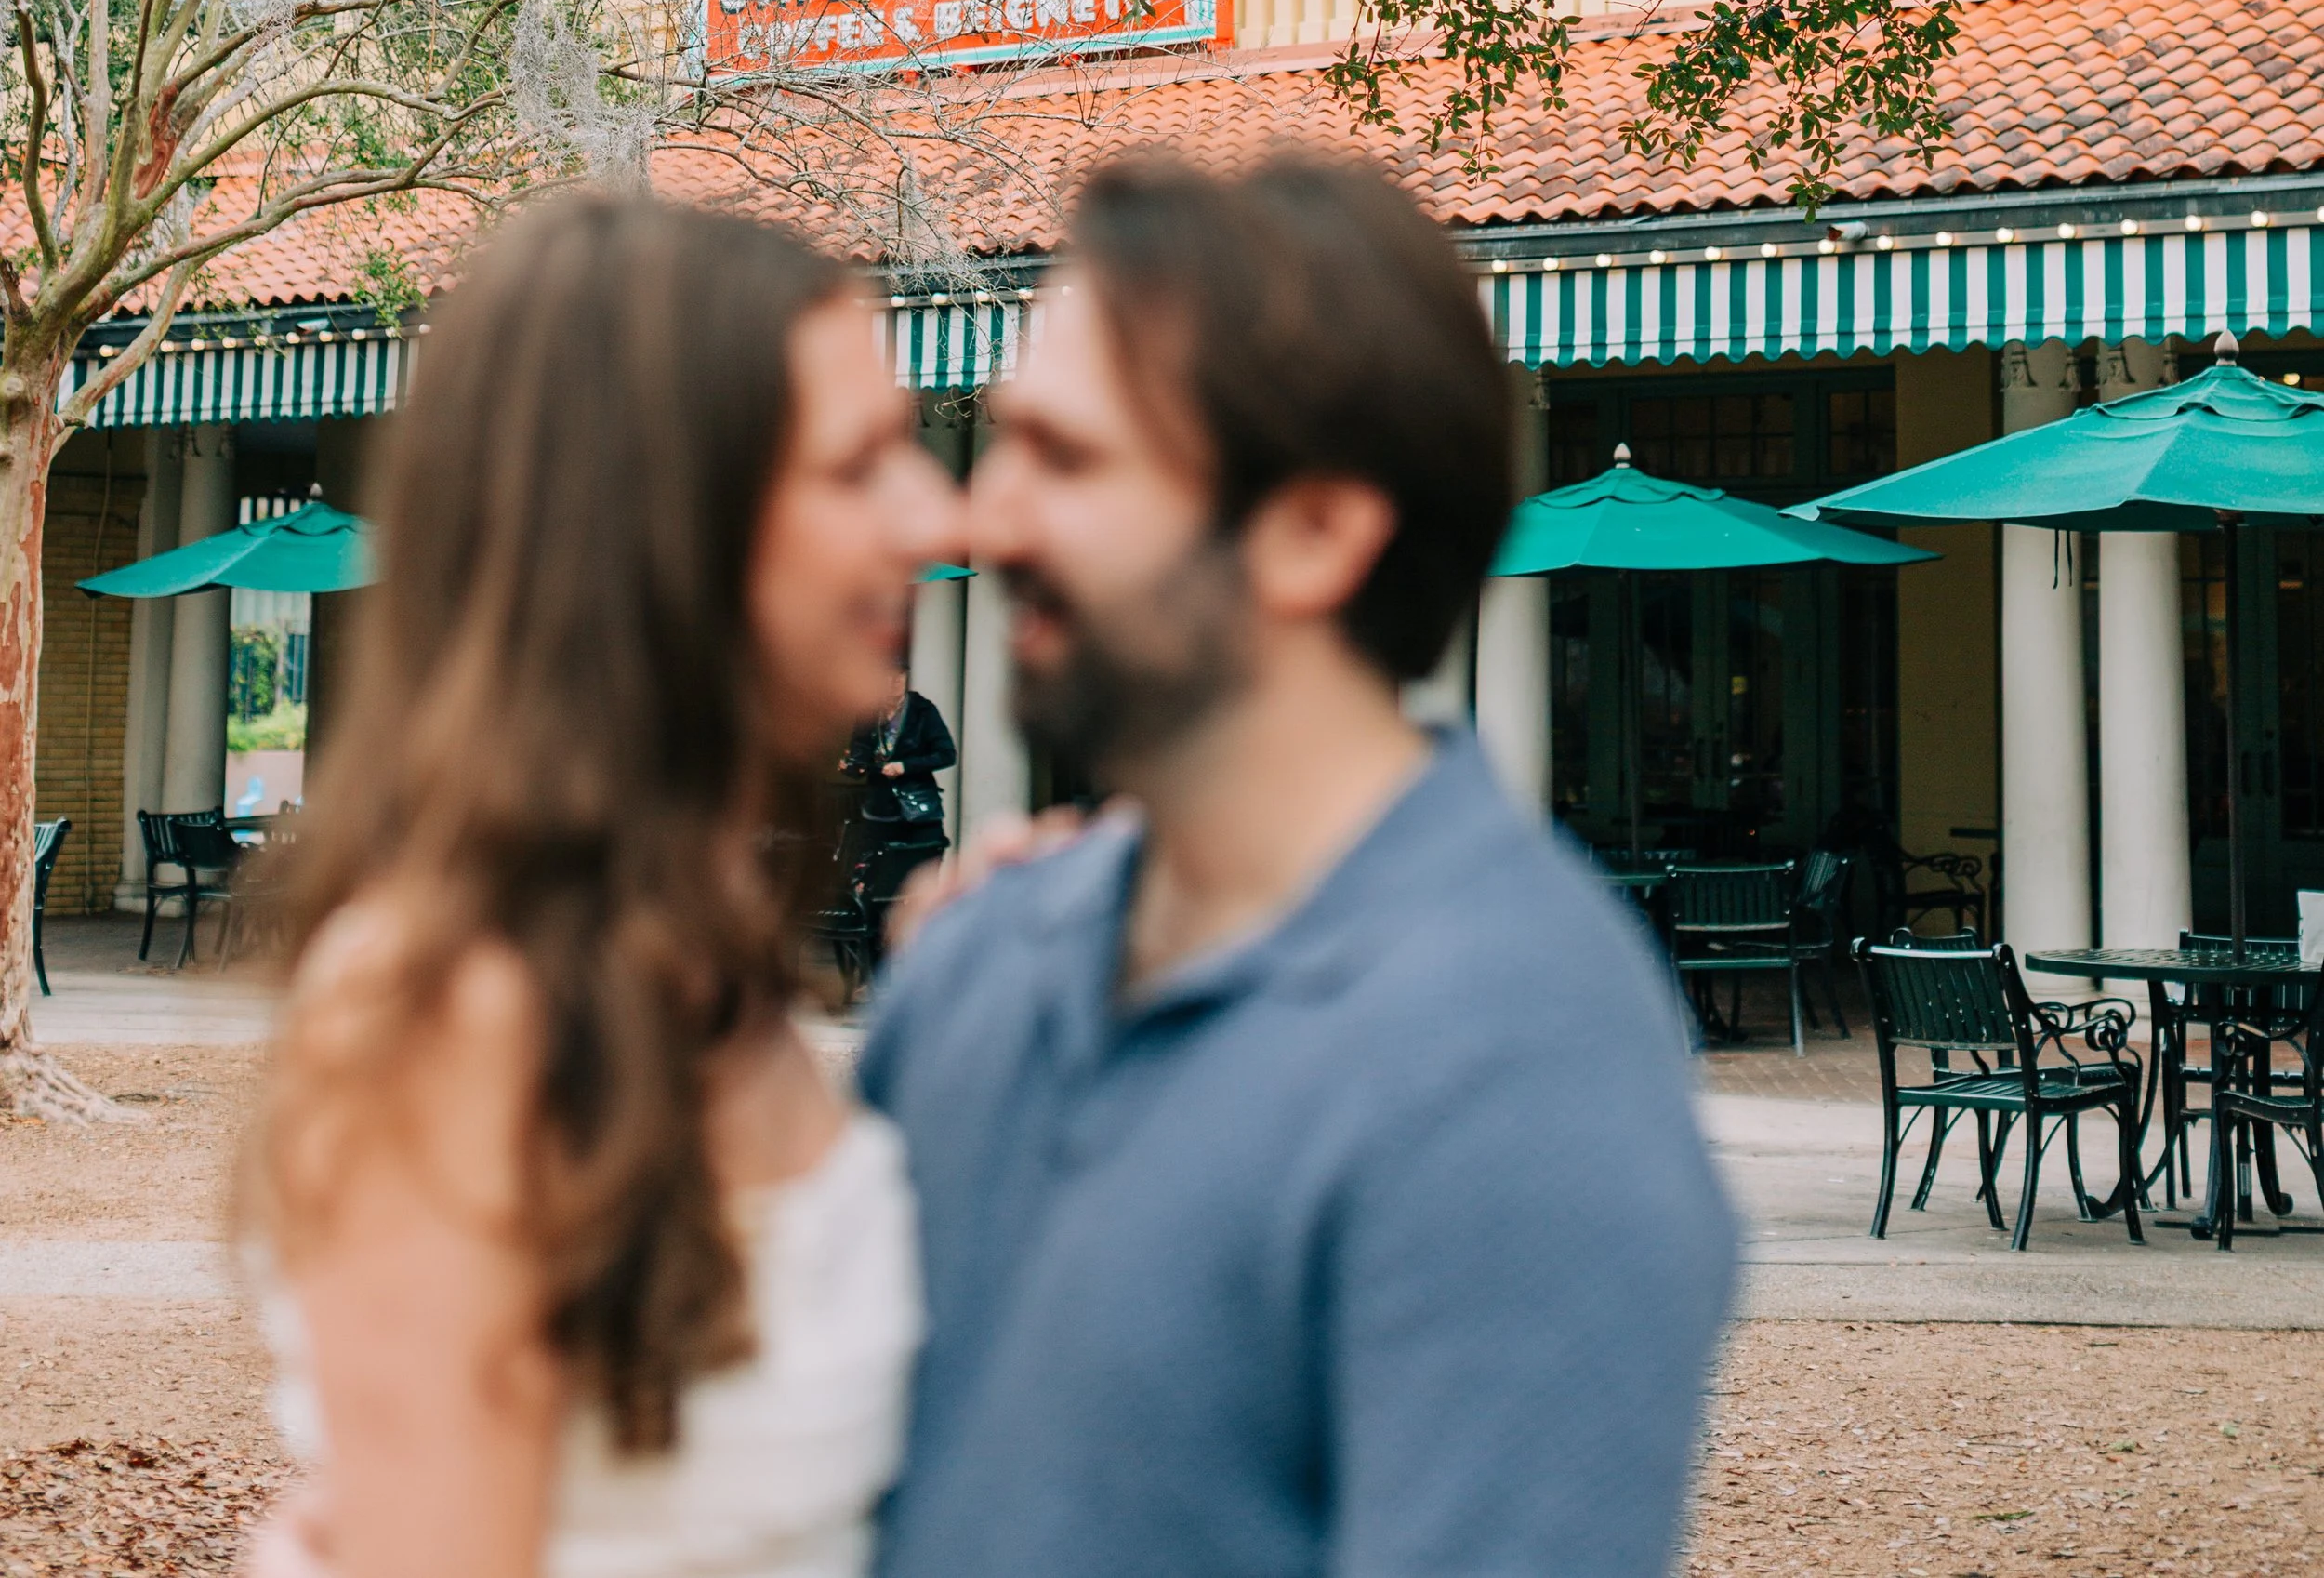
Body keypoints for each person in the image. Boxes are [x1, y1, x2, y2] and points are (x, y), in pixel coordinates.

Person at [861, 152, 1736, 1578]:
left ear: (1319, 528)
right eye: (1000, 446)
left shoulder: (1522, 1059)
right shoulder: (967, 969)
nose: (982, 521)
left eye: (1068, 459)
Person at [245, 191, 953, 1578]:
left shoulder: (704, 957)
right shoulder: (464, 1011)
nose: (936, 510)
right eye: (860, 464)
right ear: (660, 521)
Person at [838, 666, 957, 962]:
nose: (892, 683)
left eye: (899, 677)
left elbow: (946, 754)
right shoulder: (869, 711)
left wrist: (906, 766)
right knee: (874, 890)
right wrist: (852, 765)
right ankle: (878, 966)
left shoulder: (922, 712)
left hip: (919, 814)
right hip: (879, 812)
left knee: (920, 885)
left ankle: (920, 959)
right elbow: (860, 754)